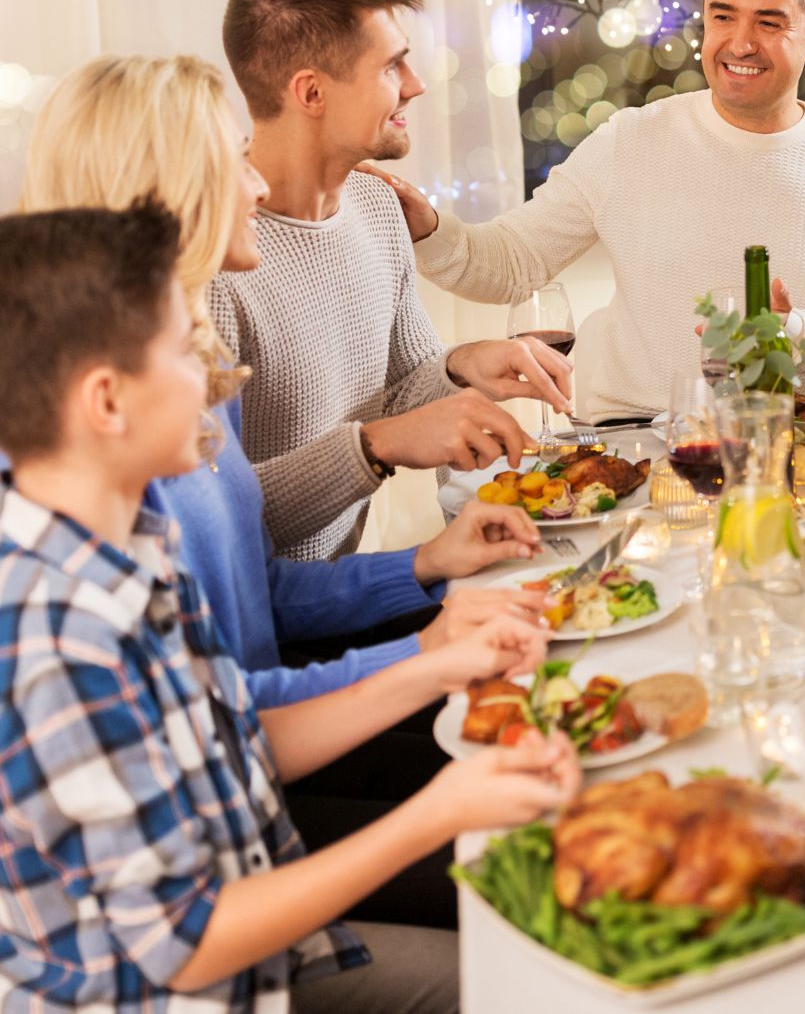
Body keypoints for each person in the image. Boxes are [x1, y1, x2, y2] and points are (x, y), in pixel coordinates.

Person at [0, 203, 578, 1012]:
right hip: (200, 985)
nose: (215, 377)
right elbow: (188, 945)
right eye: (183, 351)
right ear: (106, 402)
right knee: (526, 979)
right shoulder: (54, 631)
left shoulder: (120, 547)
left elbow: (236, 724)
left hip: (259, 924)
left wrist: (439, 662)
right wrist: (438, 814)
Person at [18, 54, 551, 709]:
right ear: (166, 192)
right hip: (261, 739)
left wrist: (427, 562)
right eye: (236, 160)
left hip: (271, 709)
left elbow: (259, 595)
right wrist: (427, 653)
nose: (259, 187)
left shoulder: (194, 367)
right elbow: (222, 714)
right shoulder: (119, 421)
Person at [365, 0, 805, 418]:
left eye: (770, 23)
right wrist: (428, 228)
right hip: (632, 434)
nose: (740, 43)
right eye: (723, 17)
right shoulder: (630, 139)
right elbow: (513, 264)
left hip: (793, 438)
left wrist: (793, 335)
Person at [215, 0, 576, 561]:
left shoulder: (378, 209)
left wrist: (463, 365)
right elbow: (215, 522)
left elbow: (402, 391)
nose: (417, 85)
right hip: (265, 619)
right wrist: (374, 446)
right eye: (392, 67)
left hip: (347, 586)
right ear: (310, 93)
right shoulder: (216, 255)